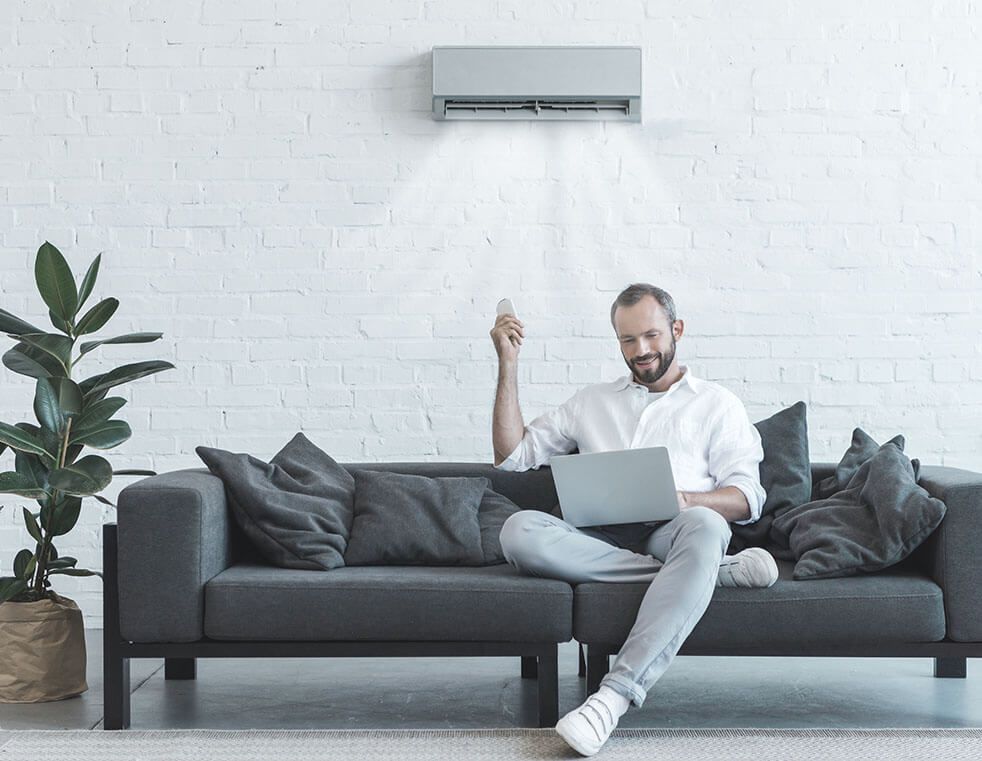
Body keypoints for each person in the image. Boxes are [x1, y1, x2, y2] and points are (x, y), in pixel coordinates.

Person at [489, 283, 778, 757]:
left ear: (676, 330)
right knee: (518, 530)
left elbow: (748, 497)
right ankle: (704, 575)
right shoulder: (592, 400)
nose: (640, 351)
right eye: (627, 340)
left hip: (677, 530)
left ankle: (611, 698)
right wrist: (508, 362)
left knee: (706, 527)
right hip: (597, 535)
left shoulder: (716, 404)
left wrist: (686, 498)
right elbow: (510, 455)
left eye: (650, 336)